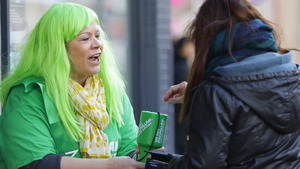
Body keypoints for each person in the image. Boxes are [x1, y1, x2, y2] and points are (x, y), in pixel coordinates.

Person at [0, 3, 144, 169]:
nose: (97, 44)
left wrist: (146, 156)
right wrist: (109, 165)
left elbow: (130, 151)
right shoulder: (29, 95)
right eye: (85, 38)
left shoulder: (111, 90)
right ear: (58, 48)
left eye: (98, 35)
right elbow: (35, 164)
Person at [164, 0, 300, 168]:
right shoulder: (293, 76)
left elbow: (202, 165)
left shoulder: (216, 91)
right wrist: (197, 95)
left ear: (208, 35)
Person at [173, 37, 194, 154]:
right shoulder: (181, 67)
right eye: (190, 46)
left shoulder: (177, 64)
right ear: (184, 46)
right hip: (180, 115)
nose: (192, 50)